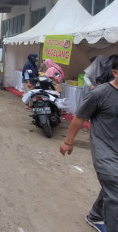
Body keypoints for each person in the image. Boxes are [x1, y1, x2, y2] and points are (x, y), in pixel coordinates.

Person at [60, 56, 118, 232]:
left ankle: (95, 215)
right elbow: (79, 118)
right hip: (104, 148)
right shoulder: (99, 93)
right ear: (115, 73)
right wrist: (68, 142)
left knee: (112, 185)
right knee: (116, 188)